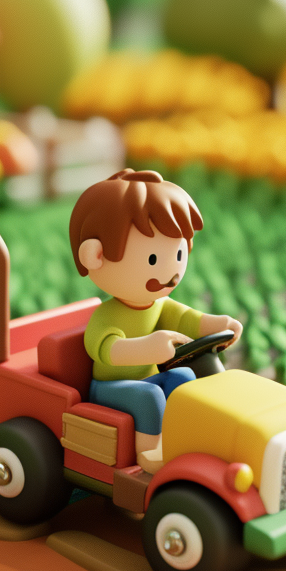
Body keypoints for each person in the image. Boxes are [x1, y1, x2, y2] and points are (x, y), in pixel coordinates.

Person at [70, 169, 242, 472]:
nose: (169, 272)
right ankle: (150, 456)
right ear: (94, 255)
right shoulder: (106, 315)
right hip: (110, 387)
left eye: (176, 255)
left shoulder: (160, 304)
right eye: (152, 259)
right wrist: (149, 348)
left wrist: (219, 325)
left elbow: (188, 319)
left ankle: (187, 439)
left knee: (184, 379)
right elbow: (107, 349)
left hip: (148, 377)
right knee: (149, 396)